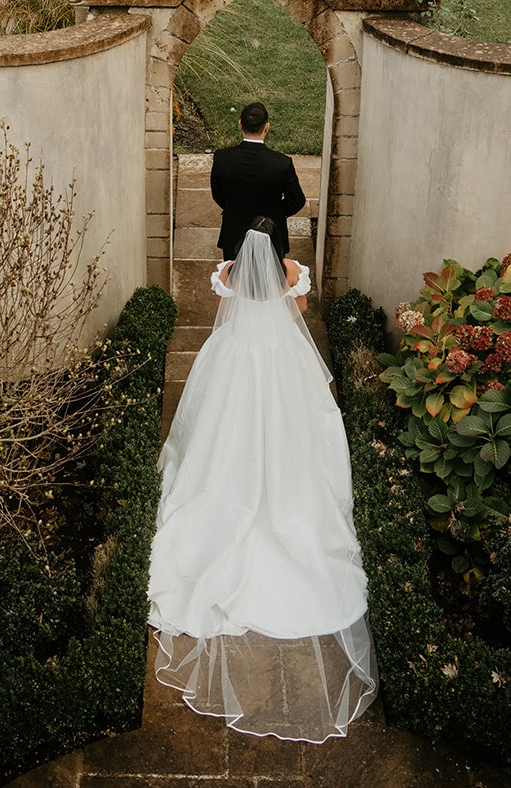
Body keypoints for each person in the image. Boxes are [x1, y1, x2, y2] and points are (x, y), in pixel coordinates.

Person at [147, 216, 378, 743]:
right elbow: (296, 315)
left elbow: (225, 315)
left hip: (235, 363)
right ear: (276, 250)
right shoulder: (292, 272)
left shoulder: (228, 273)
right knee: (294, 437)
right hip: (282, 366)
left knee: (219, 437)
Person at [209, 102, 306, 261]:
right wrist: (275, 212)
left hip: (234, 231)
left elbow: (218, 194)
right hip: (271, 233)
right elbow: (297, 200)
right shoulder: (281, 163)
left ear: (240, 124)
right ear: (266, 127)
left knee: (234, 282)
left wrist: (234, 206)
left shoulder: (222, 158)